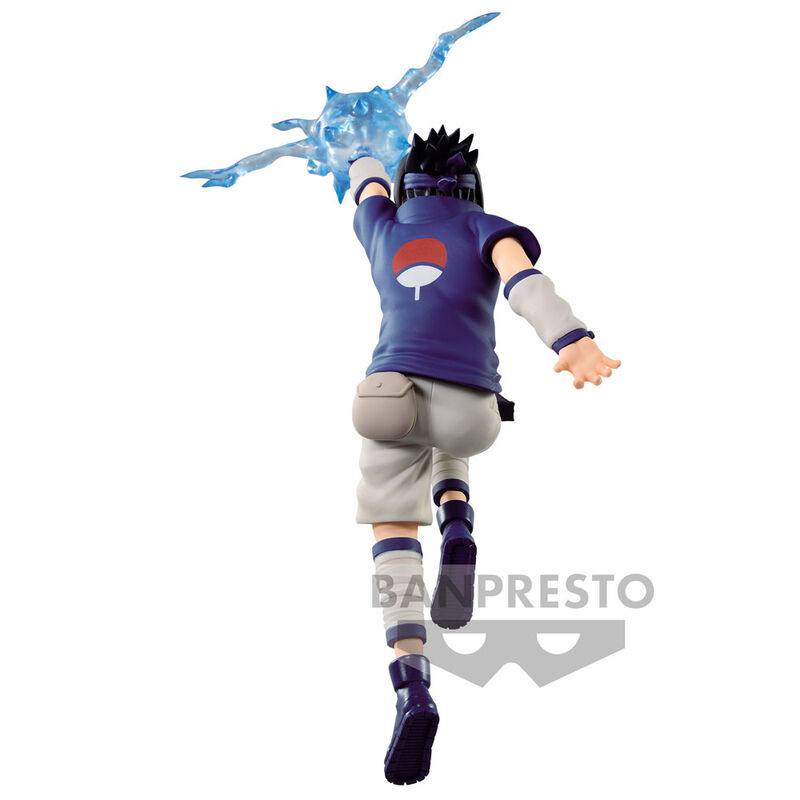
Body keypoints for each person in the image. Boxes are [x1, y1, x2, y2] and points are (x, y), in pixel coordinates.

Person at [348, 127, 621, 784]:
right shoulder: (485, 226)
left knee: (393, 526)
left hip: (386, 394)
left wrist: (360, 150)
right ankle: (457, 519)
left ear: (408, 185)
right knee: (451, 434)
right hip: (472, 407)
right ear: (472, 187)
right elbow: (525, 282)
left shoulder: (382, 225)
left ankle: (412, 682)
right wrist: (572, 339)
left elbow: (366, 181)